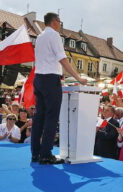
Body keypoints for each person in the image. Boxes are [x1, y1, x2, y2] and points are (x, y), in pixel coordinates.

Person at [31, 12, 87, 165]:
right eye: (60, 21)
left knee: (39, 117)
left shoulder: (40, 36)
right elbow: (62, 59)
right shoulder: (54, 35)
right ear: (55, 22)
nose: (61, 24)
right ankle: (46, 154)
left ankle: (35, 153)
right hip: (50, 79)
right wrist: (78, 78)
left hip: (39, 78)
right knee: (51, 117)